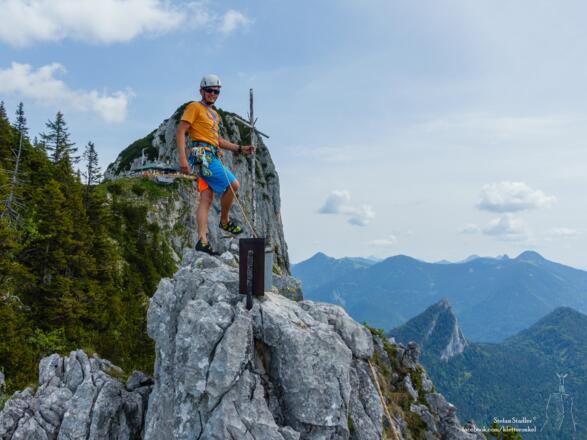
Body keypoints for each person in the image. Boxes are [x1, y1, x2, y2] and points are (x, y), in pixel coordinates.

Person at [176, 74, 254, 255]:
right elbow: (181, 131)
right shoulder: (194, 107)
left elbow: (217, 140)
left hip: (209, 154)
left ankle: (202, 240)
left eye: (216, 91)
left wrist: (240, 149)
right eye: (210, 90)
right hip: (203, 155)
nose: (213, 94)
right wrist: (182, 159)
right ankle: (225, 221)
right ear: (201, 91)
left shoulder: (215, 115)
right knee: (233, 185)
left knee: (206, 199)